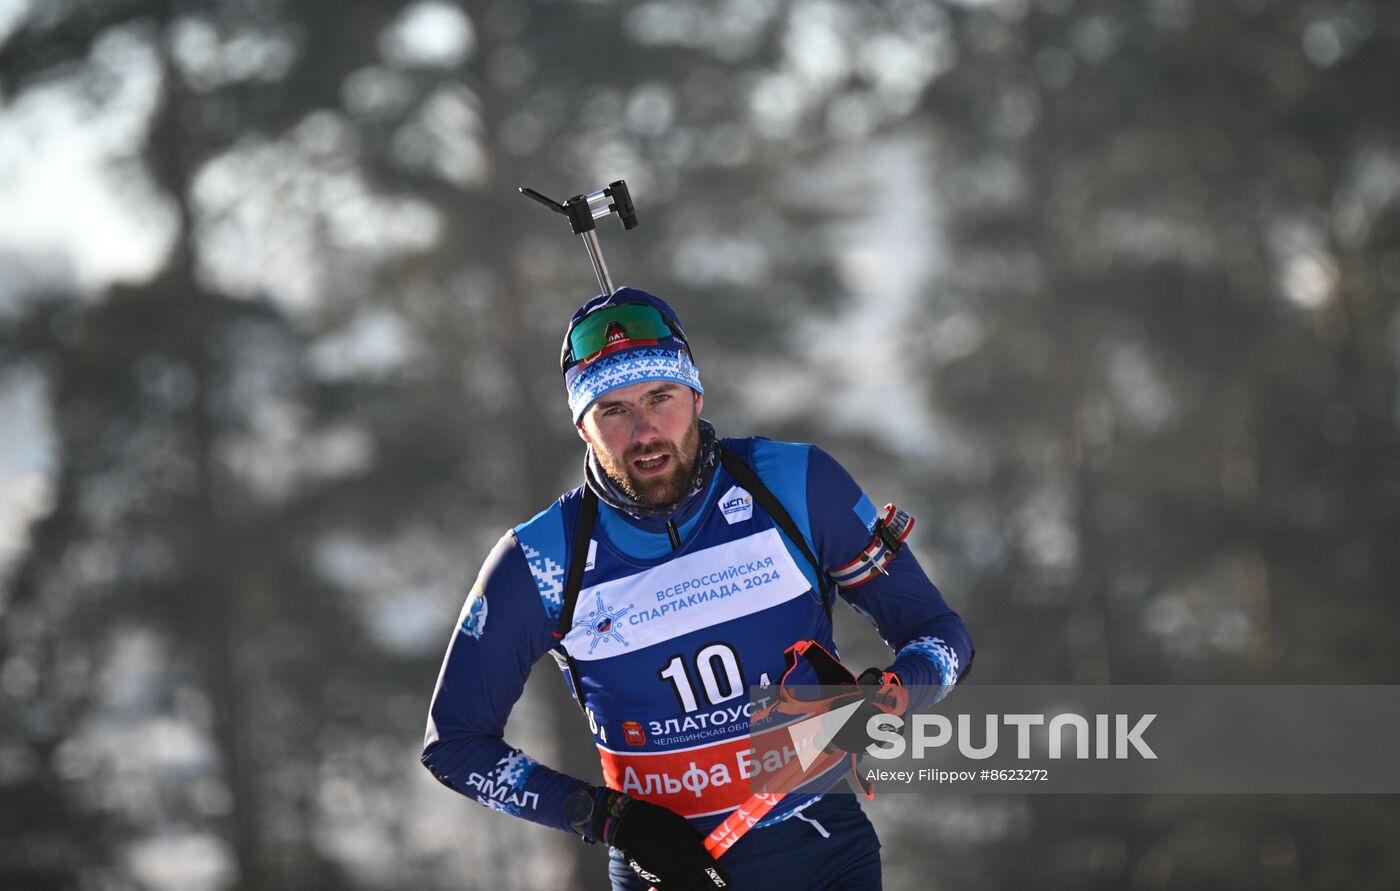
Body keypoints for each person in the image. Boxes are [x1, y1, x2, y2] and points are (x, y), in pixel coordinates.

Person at [422, 287, 974, 890]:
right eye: (613, 410)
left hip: (821, 852)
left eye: (661, 398)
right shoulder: (541, 561)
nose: (644, 431)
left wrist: (890, 697)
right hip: (668, 874)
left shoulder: (794, 486)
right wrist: (608, 818)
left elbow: (942, 638)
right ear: (583, 428)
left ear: (696, 394)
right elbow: (455, 745)